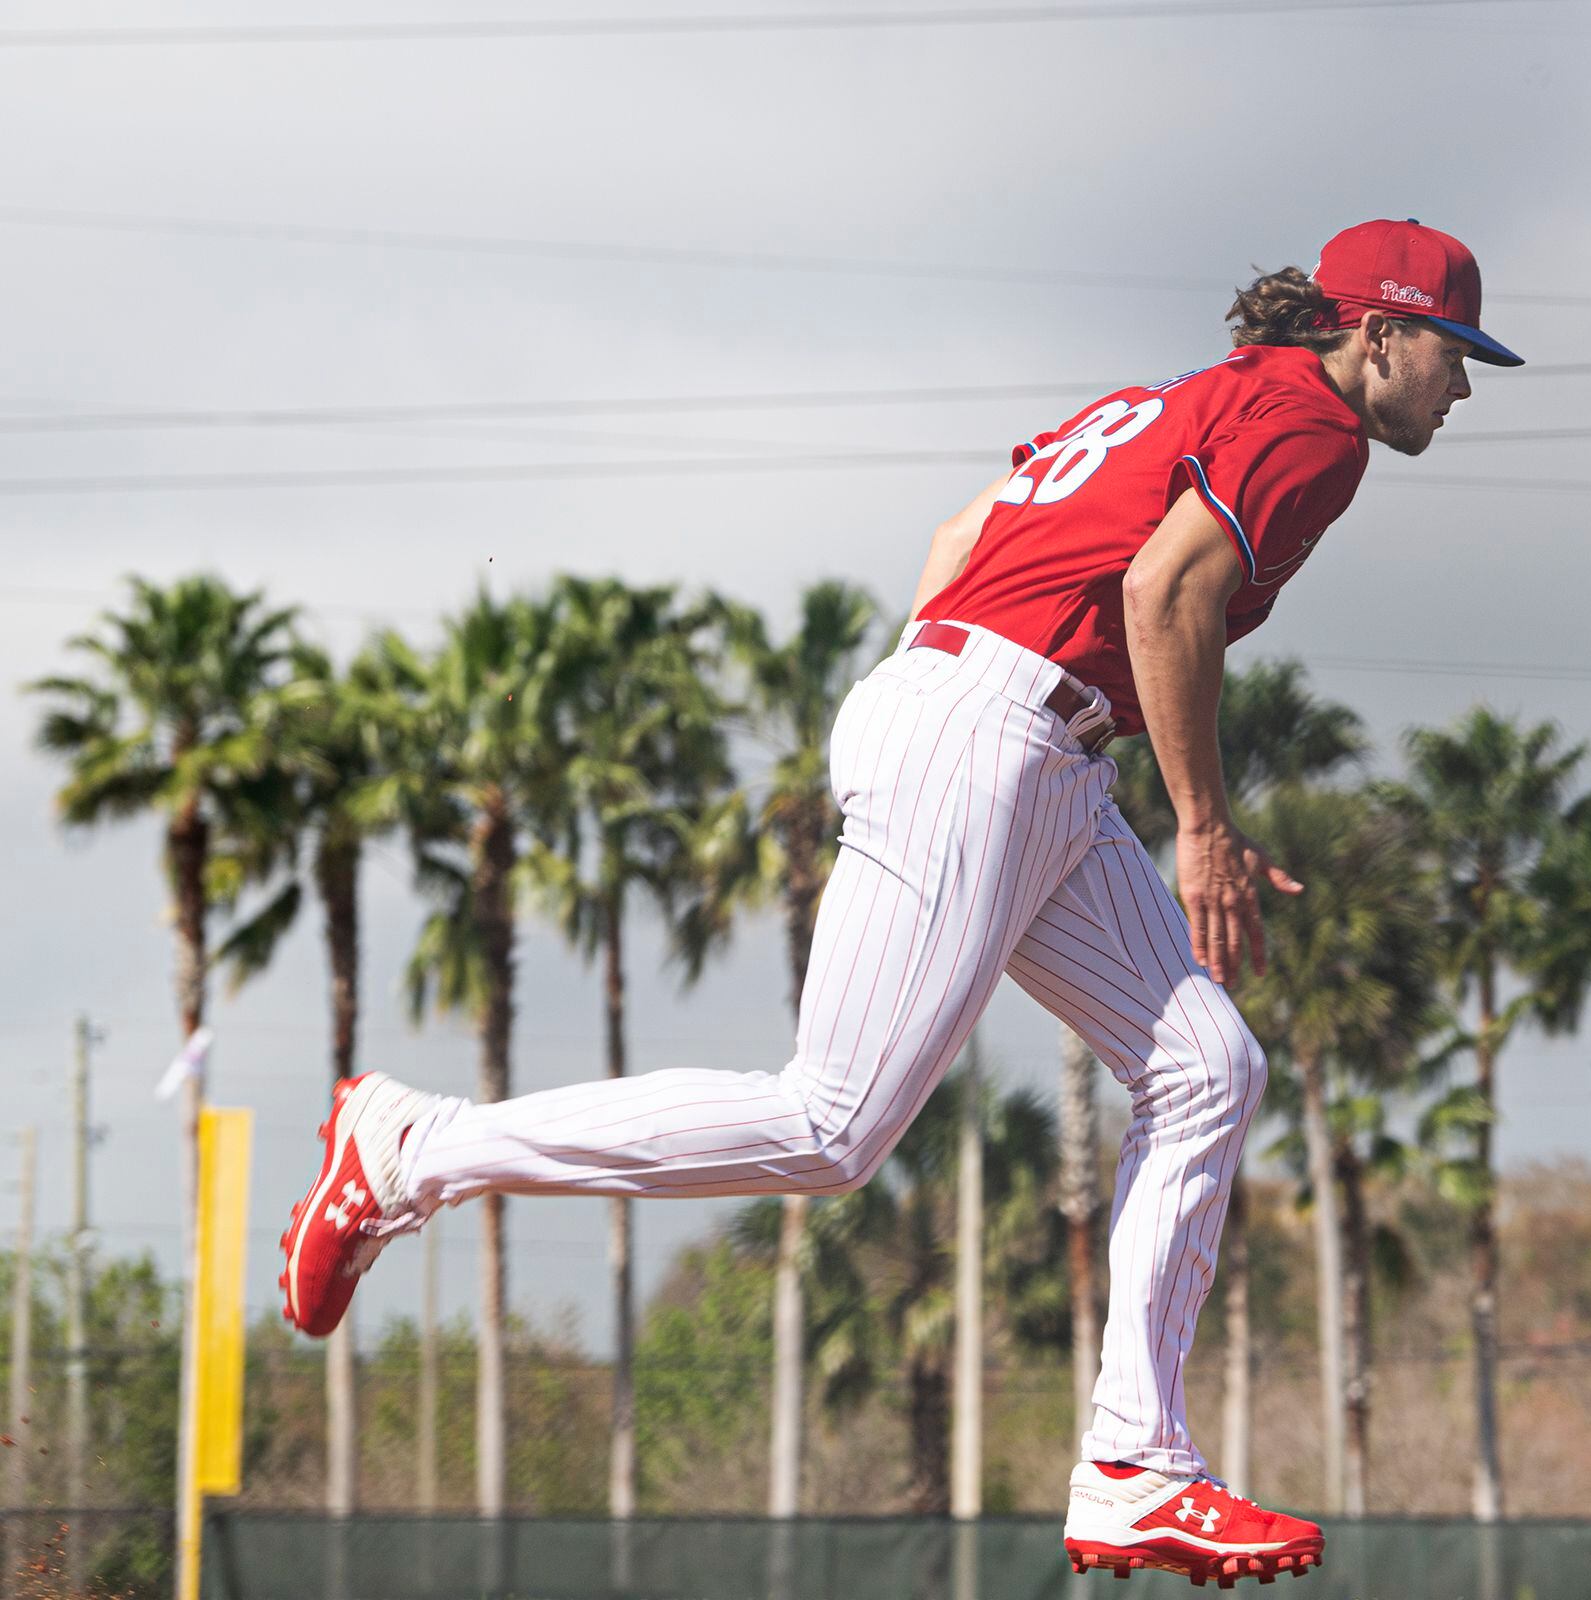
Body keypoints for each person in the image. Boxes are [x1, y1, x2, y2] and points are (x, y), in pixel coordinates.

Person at [279, 217, 1519, 1585]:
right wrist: (1200, 824)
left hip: (1010, 732)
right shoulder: (1311, 425)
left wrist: (936, 699)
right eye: (1452, 352)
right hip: (993, 734)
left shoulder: (1176, 397)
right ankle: (413, 1151)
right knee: (833, 1125)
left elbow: (963, 533)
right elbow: (1167, 592)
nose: (1460, 386)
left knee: (1209, 1066)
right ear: (1379, 333)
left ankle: (1134, 1468)